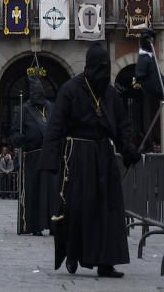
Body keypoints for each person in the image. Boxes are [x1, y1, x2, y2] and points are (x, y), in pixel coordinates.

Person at [40, 43, 140, 279]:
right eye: (100, 68)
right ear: (90, 67)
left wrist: (129, 150)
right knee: (78, 207)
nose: (104, 73)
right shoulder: (70, 90)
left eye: (107, 68)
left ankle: (106, 262)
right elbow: (55, 127)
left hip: (104, 154)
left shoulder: (111, 93)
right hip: (77, 155)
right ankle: (73, 254)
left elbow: (123, 127)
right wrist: (50, 160)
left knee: (109, 208)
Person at [11, 73, 58, 235]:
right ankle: (35, 226)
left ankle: (53, 224)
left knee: (52, 192)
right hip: (33, 156)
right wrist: (20, 138)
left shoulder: (51, 107)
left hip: (51, 155)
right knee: (35, 191)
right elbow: (15, 133)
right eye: (35, 91)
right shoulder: (24, 109)